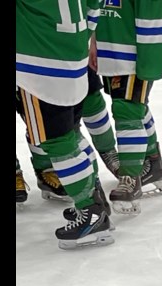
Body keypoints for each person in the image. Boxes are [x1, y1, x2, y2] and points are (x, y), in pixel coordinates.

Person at [16, 0, 114, 249]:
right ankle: (96, 202)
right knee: (70, 134)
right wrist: (83, 37)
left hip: (37, 67)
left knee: (57, 142)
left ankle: (91, 213)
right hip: (73, 59)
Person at [93, 0, 162, 214]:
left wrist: (150, 63)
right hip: (108, 49)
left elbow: (153, 16)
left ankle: (130, 178)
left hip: (134, 55)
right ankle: (153, 163)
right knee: (136, 107)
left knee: (127, 110)